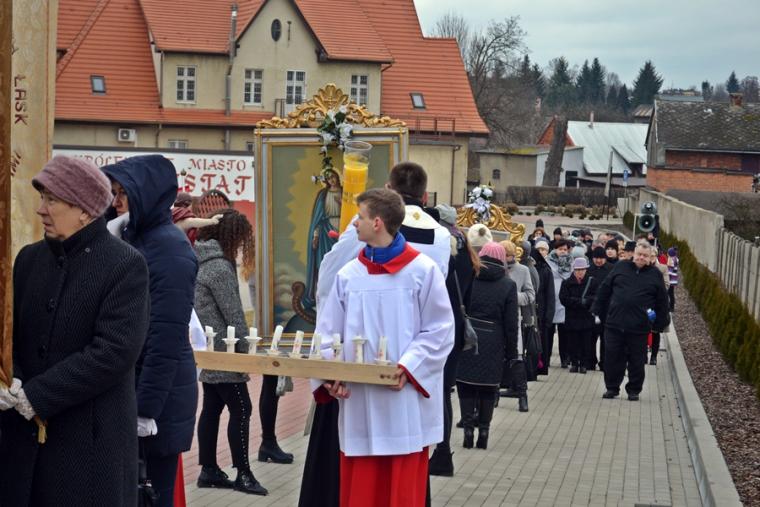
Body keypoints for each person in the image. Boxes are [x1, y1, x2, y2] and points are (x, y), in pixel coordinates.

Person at [0, 155, 150, 505]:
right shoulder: (28, 259)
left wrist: (37, 395)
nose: (41, 209)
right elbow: (10, 334)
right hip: (23, 446)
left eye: (52, 200)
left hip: (88, 449)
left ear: (84, 210)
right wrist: (11, 379)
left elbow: (114, 351)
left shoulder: (125, 265)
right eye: (42, 198)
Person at [301, 161, 452, 507]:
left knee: (401, 492)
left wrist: (409, 367)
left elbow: (440, 330)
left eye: (360, 217)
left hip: (404, 401)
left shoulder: (422, 271)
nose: (354, 223)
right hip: (359, 403)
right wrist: (331, 376)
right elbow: (328, 332)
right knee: (360, 490)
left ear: (378, 222)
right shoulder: (349, 275)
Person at [102, 155, 198, 506]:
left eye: (123, 193)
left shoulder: (170, 250)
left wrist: (145, 409)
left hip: (158, 402)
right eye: (113, 193)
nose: (116, 202)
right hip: (134, 392)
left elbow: (165, 338)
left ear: (147, 194)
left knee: (151, 495)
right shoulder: (132, 238)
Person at [193, 209, 267, 496]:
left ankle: (209, 469)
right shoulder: (219, 267)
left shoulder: (200, 259)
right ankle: (243, 474)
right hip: (226, 351)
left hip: (209, 348)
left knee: (212, 408)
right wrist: (246, 350)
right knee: (242, 408)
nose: (239, 247)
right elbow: (234, 314)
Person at [456, 242, 518, 449]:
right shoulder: (508, 285)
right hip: (494, 339)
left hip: (469, 338)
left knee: (465, 385)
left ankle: (467, 429)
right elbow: (511, 323)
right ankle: (484, 431)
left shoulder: (470, 276)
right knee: (488, 388)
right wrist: (512, 352)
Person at [592, 242, 670, 401]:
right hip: (614, 324)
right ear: (633, 254)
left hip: (639, 327)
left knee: (637, 361)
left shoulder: (655, 275)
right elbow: (605, 289)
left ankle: (634, 390)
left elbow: (662, 301)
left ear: (650, 258)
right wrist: (597, 309)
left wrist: (660, 322)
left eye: (645, 255)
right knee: (612, 358)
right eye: (639, 254)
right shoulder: (621, 267)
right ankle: (612, 388)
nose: (641, 257)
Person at [498, 240, 533, 412]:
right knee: (497, 357)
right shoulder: (495, 269)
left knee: (517, 357)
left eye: (509, 255)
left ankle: (522, 394)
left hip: (513, 317)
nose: (506, 259)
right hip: (497, 317)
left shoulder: (523, 270)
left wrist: (512, 296)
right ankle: (494, 394)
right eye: (503, 255)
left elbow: (530, 295)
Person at [302, 168, 342, 310]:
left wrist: (342, 203)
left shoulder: (344, 192)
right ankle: (323, 299)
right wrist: (316, 236)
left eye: (334, 177)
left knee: (341, 264)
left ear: (338, 177)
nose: (332, 180)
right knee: (324, 265)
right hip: (326, 232)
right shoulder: (323, 195)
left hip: (343, 228)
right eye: (329, 178)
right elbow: (318, 219)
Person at [559, 257, 598, 373]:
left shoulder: (592, 282)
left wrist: (584, 302)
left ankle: (584, 364)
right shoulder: (566, 283)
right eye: (577, 270)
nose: (580, 272)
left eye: (582, 269)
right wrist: (580, 302)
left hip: (586, 318)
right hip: (572, 317)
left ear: (586, 270)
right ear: (574, 270)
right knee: (572, 342)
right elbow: (564, 299)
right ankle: (574, 363)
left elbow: (595, 297)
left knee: (586, 343)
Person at [546, 239, 573, 368]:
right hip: (551, 299)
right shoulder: (548, 262)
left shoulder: (571, 263)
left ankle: (565, 358)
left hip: (564, 301)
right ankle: (546, 358)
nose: (562, 251)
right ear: (555, 249)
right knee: (549, 331)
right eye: (560, 249)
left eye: (565, 249)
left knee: (564, 333)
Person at [530, 240, 556, 376]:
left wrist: (549, 316)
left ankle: (539, 367)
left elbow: (550, 295)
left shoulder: (546, 270)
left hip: (542, 312)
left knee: (541, 342)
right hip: (531, 311)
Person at [588, 247, 612, 371]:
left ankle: (604, 363)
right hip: (591, 308)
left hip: (606, 308)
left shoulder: (611, 269)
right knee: (591, 337)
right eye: (596, 258)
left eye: (601, 258)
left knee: (605, 338)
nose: (598, 261)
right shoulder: (589, 269)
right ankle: (591, 361)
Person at [648, 246, 670, 366]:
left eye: (652, 256)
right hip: (646, 303)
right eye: (649, 256)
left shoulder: (662, 268)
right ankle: (643, 354)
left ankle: (654, 356)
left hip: (658, 304)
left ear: (656, 256)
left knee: (655, 331)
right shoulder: (644, 268)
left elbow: (667, 285)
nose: (650, 258)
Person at [667, 247, 679, 312]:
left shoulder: (671, 260)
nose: (667, 254)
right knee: (671, 293)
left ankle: (671, 307)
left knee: (669, 293)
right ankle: (671, 305)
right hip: (673, 279)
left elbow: (670, 271)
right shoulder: (675, 259)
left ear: (670, 254)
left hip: (670, 279)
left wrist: (666, 276)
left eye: (668, 253)